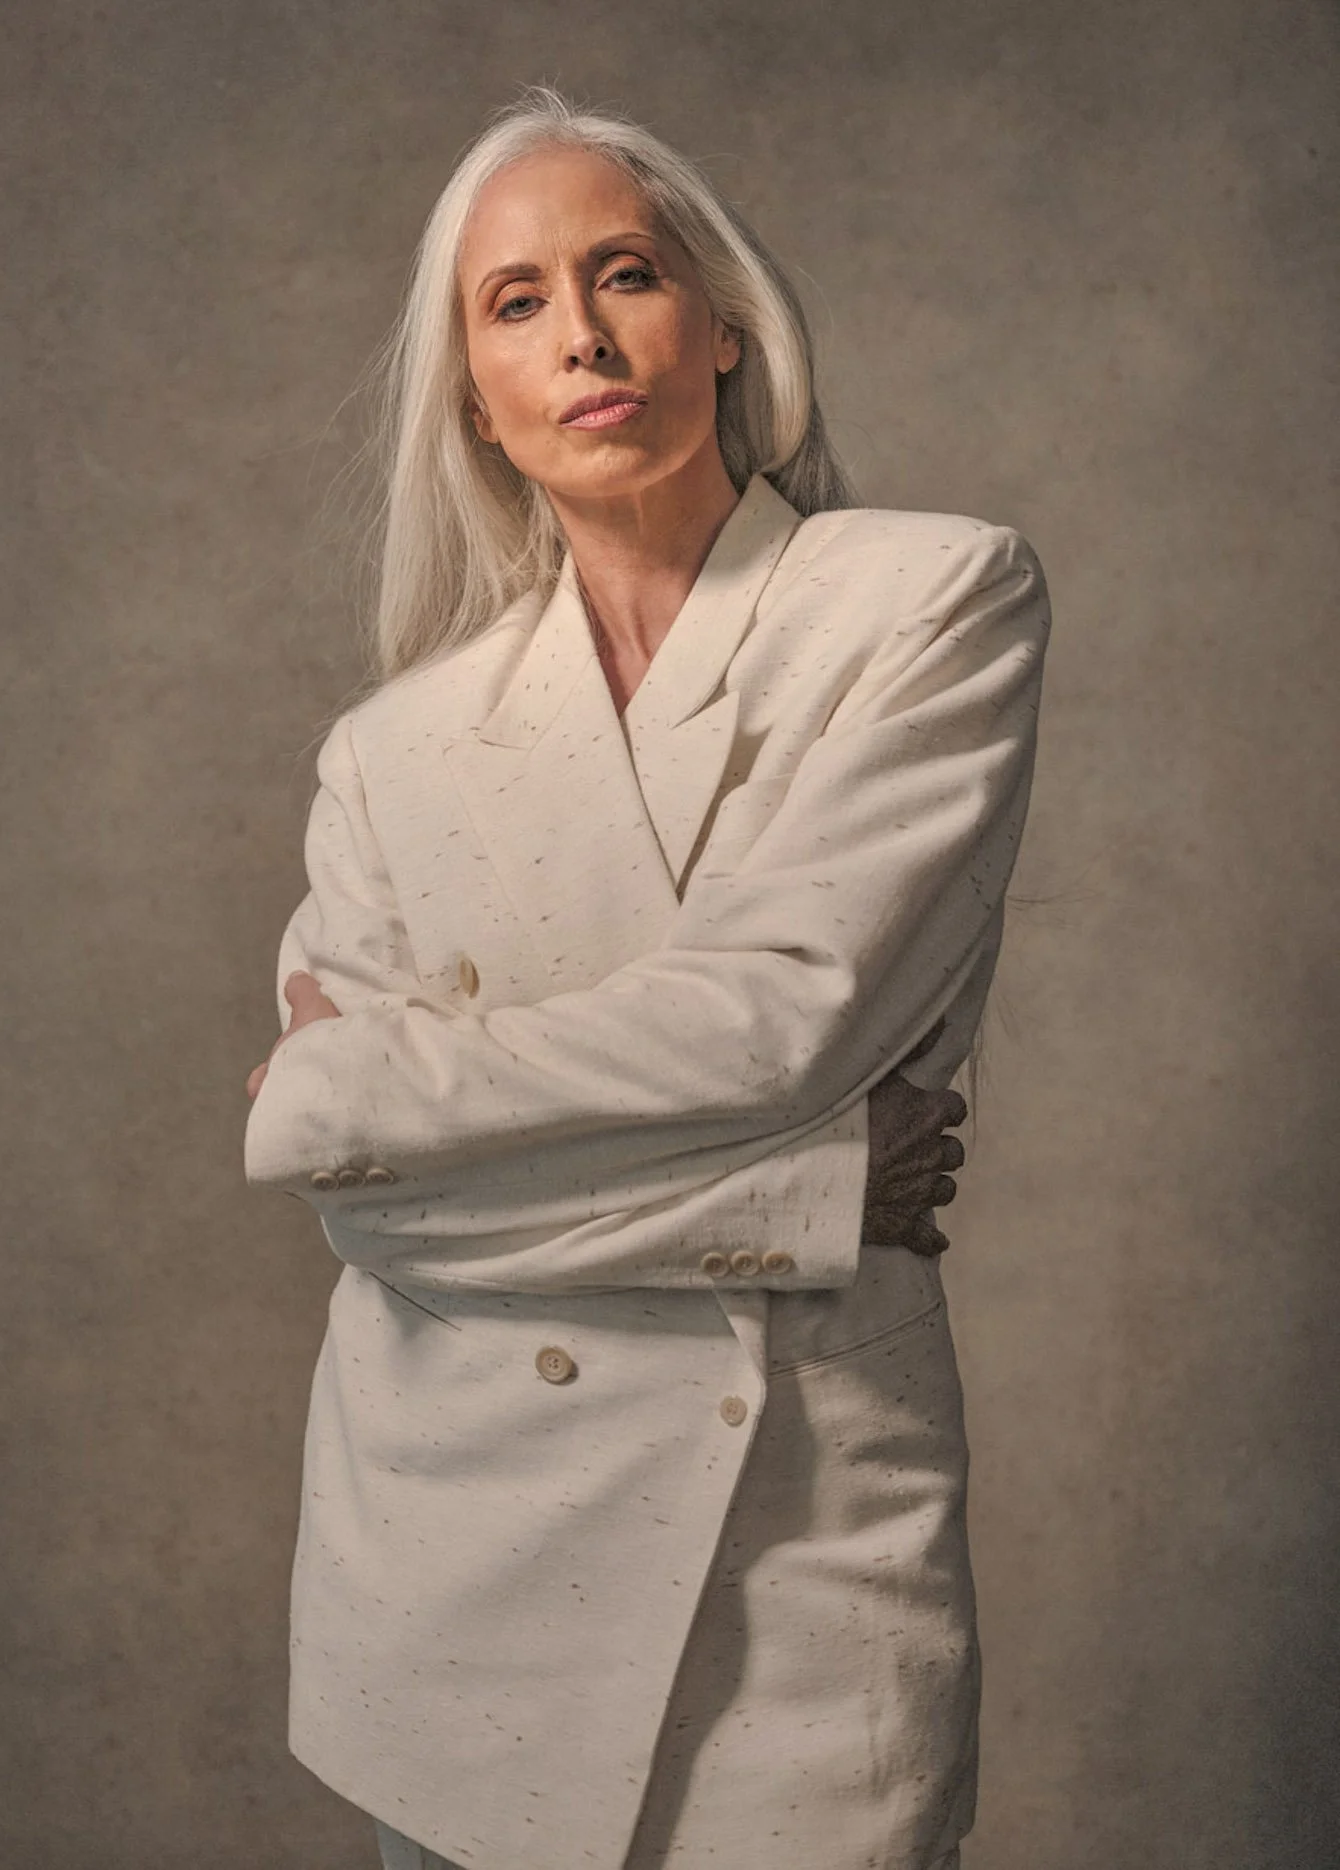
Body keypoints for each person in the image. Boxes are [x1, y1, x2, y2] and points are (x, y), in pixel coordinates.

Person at [243, 85, 1048, 1870]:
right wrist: (815, 1187)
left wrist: (367, 1085)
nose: (587, 336)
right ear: (474, 395)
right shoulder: (390, 751)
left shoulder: (925, 603)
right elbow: (365, 1212)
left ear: (727, 321)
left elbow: (781, 1012)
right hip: (448, 1577)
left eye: (627, 274)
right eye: (516, 302)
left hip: (799, 1549)